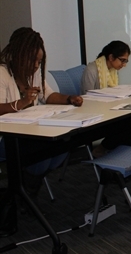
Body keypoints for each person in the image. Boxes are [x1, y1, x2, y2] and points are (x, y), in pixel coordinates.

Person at [0, 27, 84, 198]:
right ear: (18, 55)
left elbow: (49, 95)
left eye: (39, 62)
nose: (36, 66)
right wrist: (22, 102)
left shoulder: (34, 74)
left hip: (30, 131)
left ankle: (26, 193)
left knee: (61, 145)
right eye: (32, 60)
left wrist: (69, 99)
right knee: (42, 151)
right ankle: (23, 196)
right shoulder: (2, 74)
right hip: (7, 138)